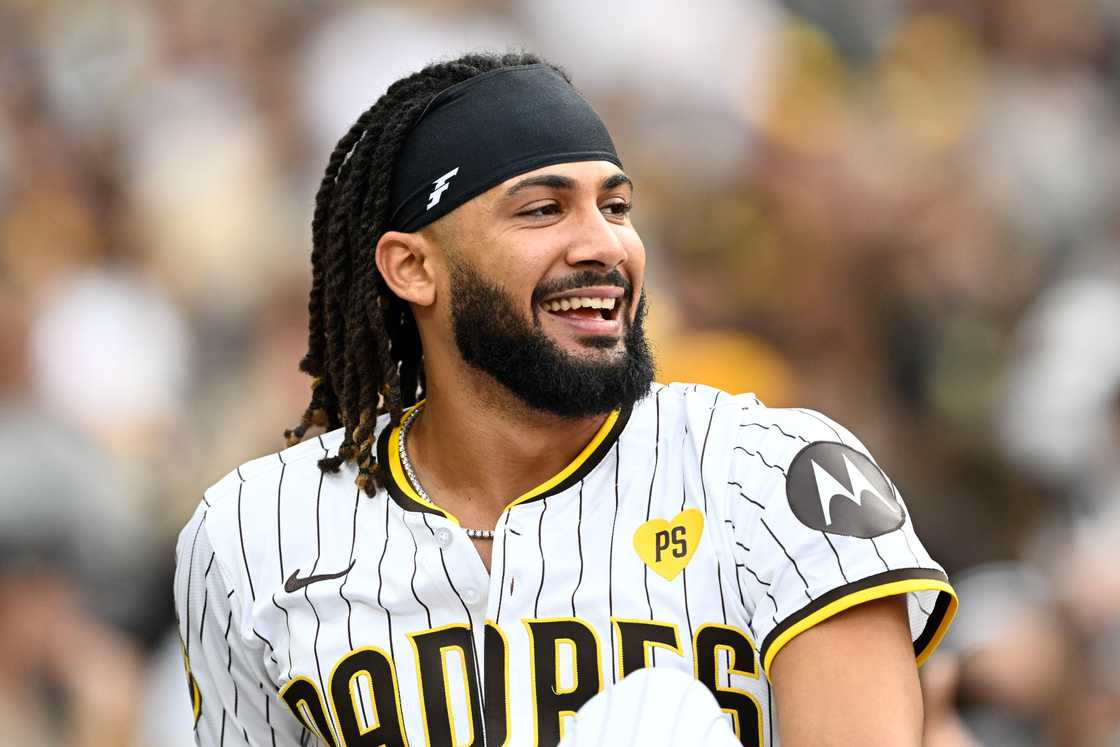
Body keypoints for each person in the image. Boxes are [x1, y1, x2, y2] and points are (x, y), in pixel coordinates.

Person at [174, 51, 957, 746]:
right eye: (542, 209)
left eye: (615, 207)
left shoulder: (771, 472)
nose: (604, 244)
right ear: (413, 268)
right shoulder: (252, 530)